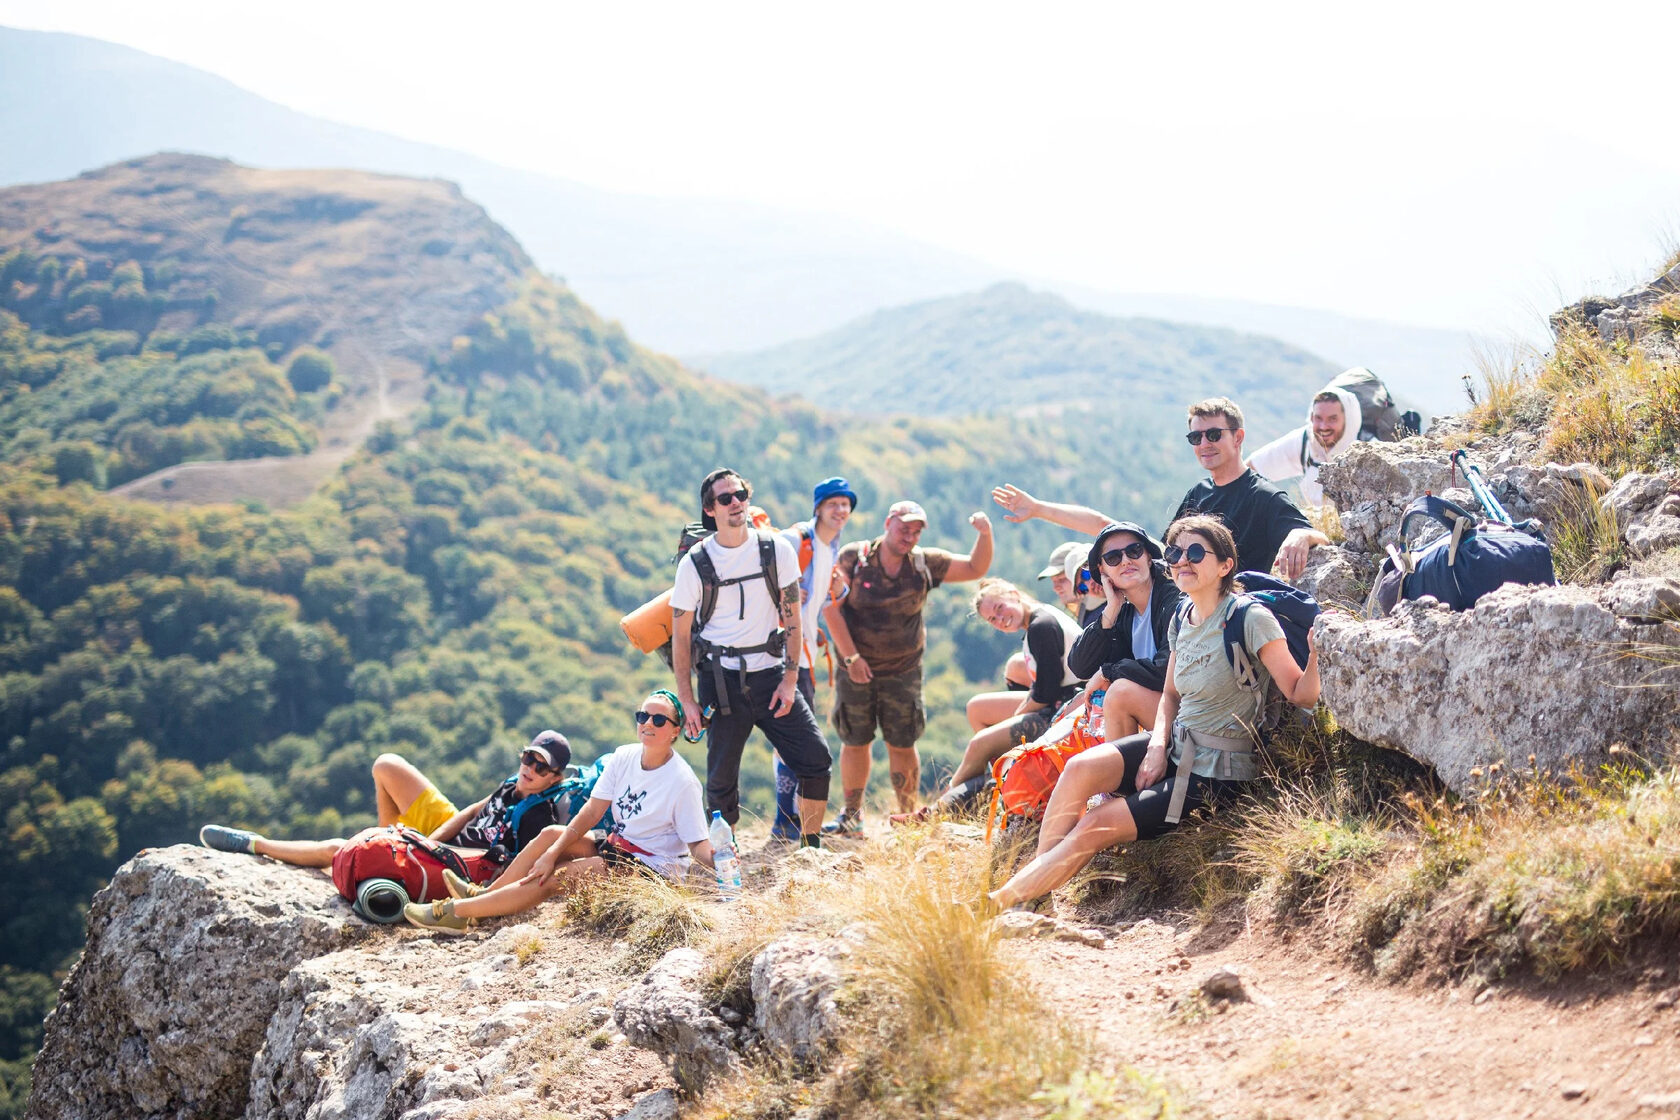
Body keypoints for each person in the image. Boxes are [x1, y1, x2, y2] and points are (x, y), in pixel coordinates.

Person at [988, 515, 1320, 910]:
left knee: (1095, 824)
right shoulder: (1184, 617)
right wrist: (1157, 746)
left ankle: (1000, 902)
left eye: (1196, 553)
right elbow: (1168, 695)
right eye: (1177, 552)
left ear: (1225, 565)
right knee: (1079, 768)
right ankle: (1036, 891)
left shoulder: (1249, 619)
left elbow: (1300, 694)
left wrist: (1317, 651)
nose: (1182, 561)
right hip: (1178, 744)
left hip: (1217, 769)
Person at [404, 691, 715, 933]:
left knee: (556, 878)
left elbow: (697, 845)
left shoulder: (682, 782)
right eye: (642, 716)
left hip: (652, 868)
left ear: (675, 731)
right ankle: (481, 897)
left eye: (658, 720)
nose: (648, 723)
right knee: (551, 835)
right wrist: (553, 849)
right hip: (619, 847)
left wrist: (721, 858)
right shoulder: (624, 757)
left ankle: (457, 913)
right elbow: (593, 810)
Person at [670, 468, 832, 846]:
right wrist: (688, 700)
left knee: (815, 758)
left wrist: (790, 680)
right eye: (725, 498)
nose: (735, 503)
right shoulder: (695, 563)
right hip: (720, 680)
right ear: (710, 510)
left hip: (770, 675)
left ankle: (810, 848)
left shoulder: (776, 549)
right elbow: (680, 639)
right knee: (721, 780)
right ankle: (725, 859)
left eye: (740, 494)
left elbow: (792, 619)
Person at [821, 500, 993, 832]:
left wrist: (985, 534)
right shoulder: (855, 559)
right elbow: (831, 607)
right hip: (856, 669)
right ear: (888, 523)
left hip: (903, 671)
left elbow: (975, 568)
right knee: (855, 741)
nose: (910, 536)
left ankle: (908, 817)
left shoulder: (924, 563)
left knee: (902, 742)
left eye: (916, 531)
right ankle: (851, 816)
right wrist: (852, 658)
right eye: (904, 528)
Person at [198, 731, 573, 871]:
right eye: (528, 757)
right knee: (387, 765)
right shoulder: (514, 784)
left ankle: (254, 843)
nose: (531, 768)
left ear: (555, 778)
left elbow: (506, 865)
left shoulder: (539, 816)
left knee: (337, 849)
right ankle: (384, 841)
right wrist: (433, 837)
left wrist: (434, 851)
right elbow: (474, 810)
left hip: (457, 860)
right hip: (440, 840)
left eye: (542, 767)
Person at [928, 578, 1086, 813]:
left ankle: (942, 806)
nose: (1000, 619)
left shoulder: (1041, 626)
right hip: (1060, 698)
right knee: (977, 709)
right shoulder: (1038, 617)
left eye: (1000, 608)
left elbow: (1045, 693)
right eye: (993, 619)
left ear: (1014, 593)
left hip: (1069, 707)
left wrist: (1017, 714)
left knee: (979, 744)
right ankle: (1000, 786)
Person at [768, 476, 856, 841]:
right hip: (781, 653)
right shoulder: (795, 540)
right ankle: (784, 821)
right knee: (796, 740)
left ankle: (785, 820)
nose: (841, 511)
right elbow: (762, 575)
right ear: (818, 506)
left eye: (846, 505)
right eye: (834, 503)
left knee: (789, 740)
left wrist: (842, 588)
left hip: (804, 654)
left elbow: (825, 593)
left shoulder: (830, 548)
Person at [1172, 397, 1329, 581]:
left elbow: (1317, 536)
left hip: (1241, 604)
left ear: (1237, 437)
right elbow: (1168, 549)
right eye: (1196, 437)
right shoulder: (1198, 493)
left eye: (1214, 434)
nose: (1204, 444)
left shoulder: (1263, 497)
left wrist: (1300, 534)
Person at [1066, 522, 1182, 742]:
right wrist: (1110, 610)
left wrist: (1109, 672)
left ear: (1149, 556)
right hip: (1160, 718)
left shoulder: (1175, 599)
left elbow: (1168, 670)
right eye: (1113, 558)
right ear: (1102, 571)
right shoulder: (1123, 612)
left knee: (1120, 692)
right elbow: (1080, 666)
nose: (1126, 560)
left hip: (1191, 717)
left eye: (1134, 550)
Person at [1245, 382, 1362, 507]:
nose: (1323, 426)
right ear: (1311, 418)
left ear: (1347, 419)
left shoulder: (1366, 452)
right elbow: (1252, 467)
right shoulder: (1306, 442)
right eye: (1318, 418)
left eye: (1332, 419)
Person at [1041, 540, 1104, 627]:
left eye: (1062, 578)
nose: (1055, 587)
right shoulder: (1088, 615)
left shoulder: (1101, 614)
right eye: (1081, 587)